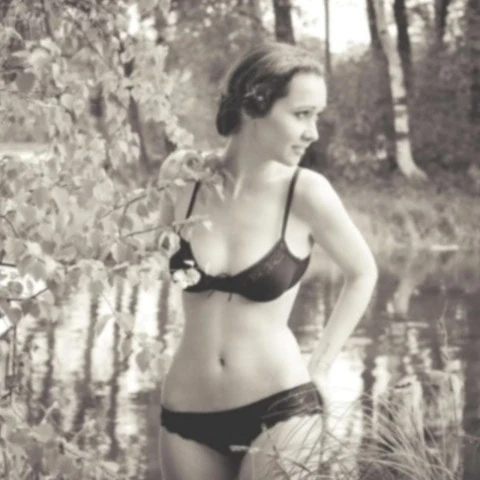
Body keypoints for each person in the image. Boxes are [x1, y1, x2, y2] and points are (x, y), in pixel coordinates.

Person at [158, 41, 378, 480]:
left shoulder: (307, 192)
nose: (313, 132)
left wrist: (321, 367)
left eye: (317, 115)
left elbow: (363, 272)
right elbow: (146, 251)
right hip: (185, 412)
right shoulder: (183, 176)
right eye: (302, 114)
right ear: (254, 105)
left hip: (280, 410)